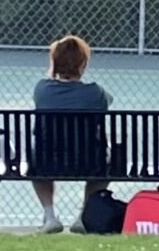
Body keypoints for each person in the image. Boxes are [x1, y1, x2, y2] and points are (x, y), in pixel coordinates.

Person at [31, 34, 111, 233]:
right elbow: (108, 101)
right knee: (107, 162)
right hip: (90, 162)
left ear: (54, 63)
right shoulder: (95, 93)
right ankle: (83, 217)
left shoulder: (42, 90)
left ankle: (50, 216)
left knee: (36, 159)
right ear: (82, 64)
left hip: (47, 161)